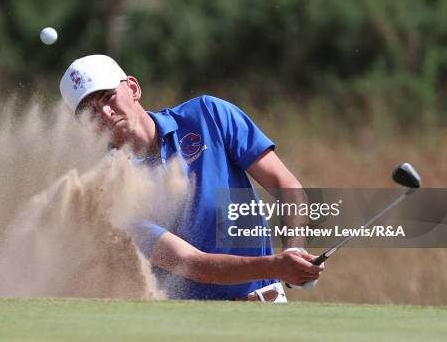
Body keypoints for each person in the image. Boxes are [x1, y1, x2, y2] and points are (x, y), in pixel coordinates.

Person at [59, 54, 324, 301]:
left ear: (133, 88)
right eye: (90, 111)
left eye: (108, 96)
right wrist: (278, 267)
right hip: (190, 322)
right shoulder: (110, 191)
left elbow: (285, 185)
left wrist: (294, 250)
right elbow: (191, 263)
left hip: (268, 302)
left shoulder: (209, 116)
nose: (105, 113)